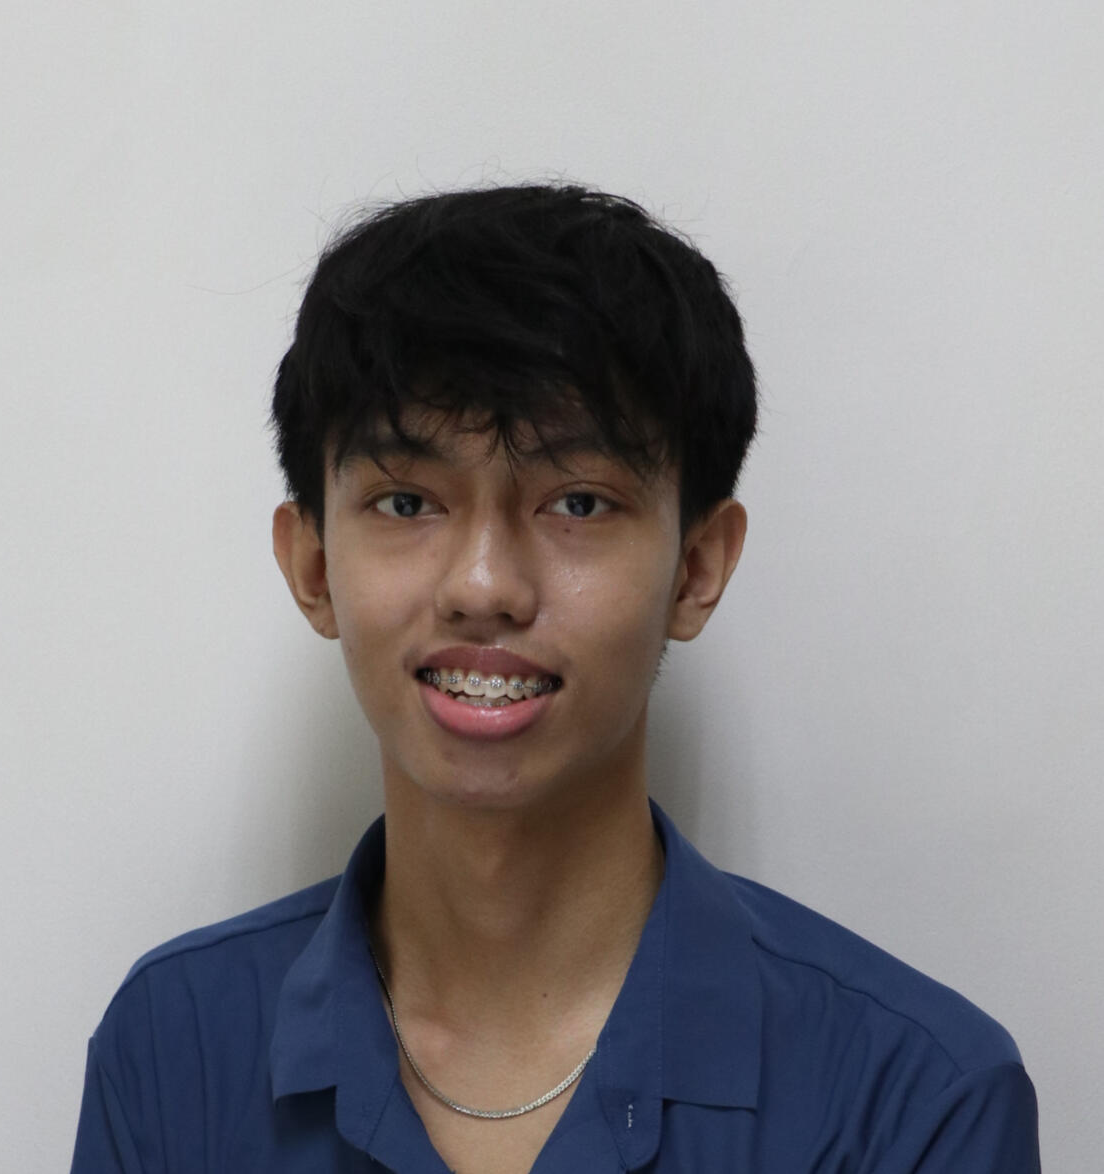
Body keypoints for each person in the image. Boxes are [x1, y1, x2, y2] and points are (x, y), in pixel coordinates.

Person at [70, 184, 1041, 1173]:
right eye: (407, 502)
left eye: (577, 502)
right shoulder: (174, 1049)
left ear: (696, 568)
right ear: (313, 566)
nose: (483, 585)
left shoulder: (914, 1102)